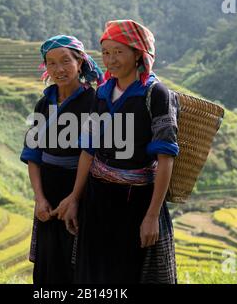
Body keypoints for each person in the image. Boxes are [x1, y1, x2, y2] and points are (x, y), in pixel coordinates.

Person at [52, 20, 179, 284]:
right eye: (106, 52)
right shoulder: (103, 93)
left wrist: (152, 215)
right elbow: (89, 150)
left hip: (137, 202)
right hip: (98, 198)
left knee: (130, 273)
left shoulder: (156, 94)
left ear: (138, 54)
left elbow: (165, 159)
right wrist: (75, 197)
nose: (111, 59)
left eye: (119, 52)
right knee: (95, 274)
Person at [20, 35, 103, 284]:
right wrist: (39, 198)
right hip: (49, 191)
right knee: (50, 262)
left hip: (82, 190)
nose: (59, 69)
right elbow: (33, 155)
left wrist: (75, 198)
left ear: (80, 62)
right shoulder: (44, 104)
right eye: (51, 63)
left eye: (66, 61)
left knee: (77, 262)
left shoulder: (95, 103)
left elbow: (92, 154)